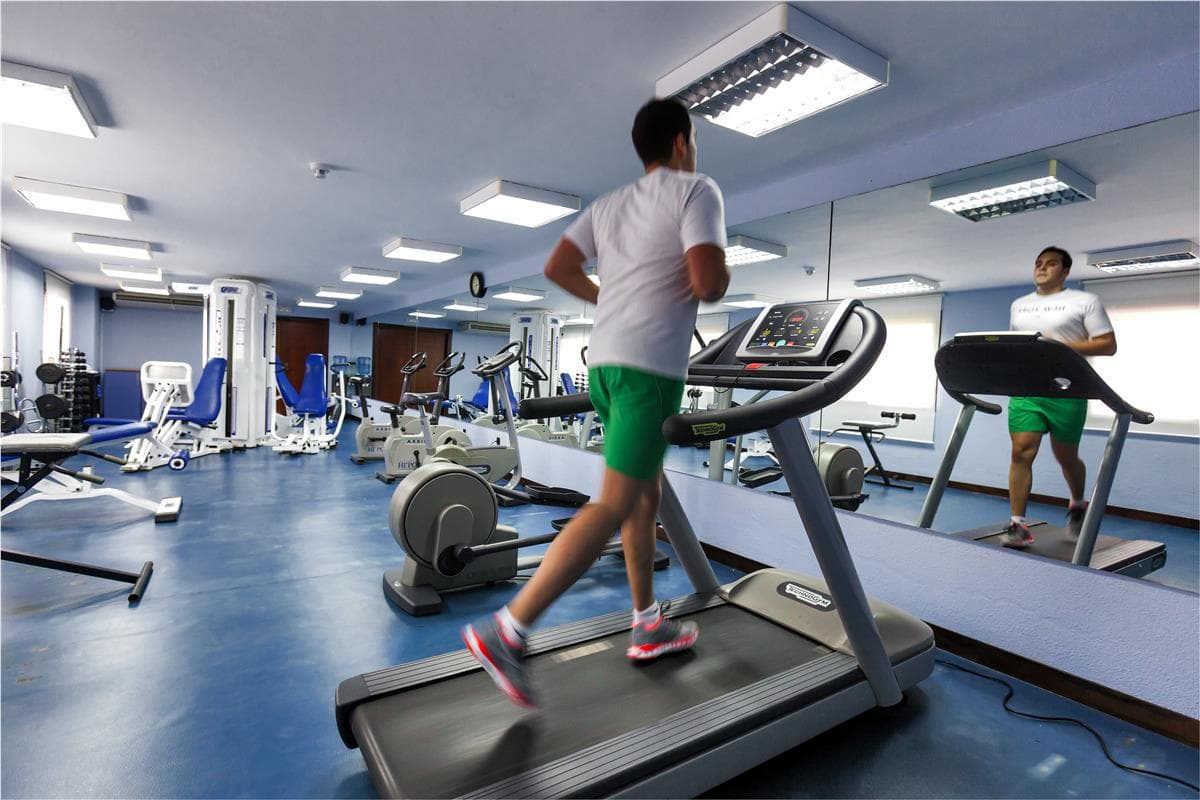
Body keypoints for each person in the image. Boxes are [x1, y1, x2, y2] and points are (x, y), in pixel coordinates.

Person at [461, 98, 730, 707]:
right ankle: (507, 631)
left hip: (605, 368)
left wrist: (609, 298)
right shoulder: (697, 190)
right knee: (613, 503)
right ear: (682, 143)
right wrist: (715, 276)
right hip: (648, 372)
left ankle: (647, 623)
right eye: (693, 140)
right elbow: (709, 283)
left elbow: (558, 266)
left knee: (644, 495)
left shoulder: (609, 204)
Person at [1003, 246, 1117, 548]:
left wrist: (1057, 346)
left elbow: (1107, 344)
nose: (1042, 268)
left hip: (1068, 389)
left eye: (1051, 264)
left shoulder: (1084, 301)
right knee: (1021, 452)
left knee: (1065, 456)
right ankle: (1017, 524)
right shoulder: (1019, 305)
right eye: (1038, 263)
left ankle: (1077, 504)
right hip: (1027, 391)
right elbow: (1016, 345)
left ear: (1065, 272)